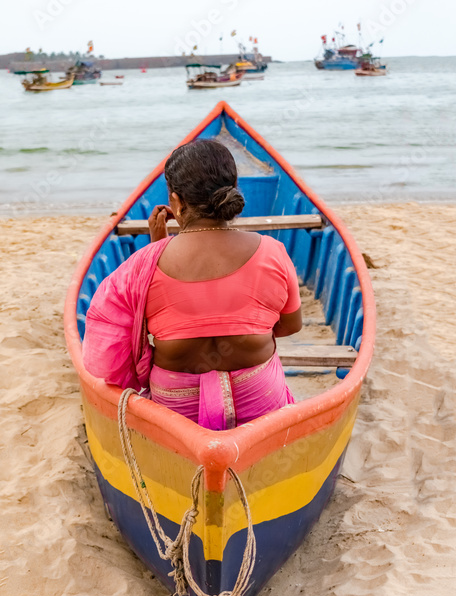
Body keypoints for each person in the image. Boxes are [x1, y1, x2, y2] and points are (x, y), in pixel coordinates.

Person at [82, 139, 302, 430]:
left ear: (175, 200)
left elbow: (110, 351)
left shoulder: (142, 265)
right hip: (259, 392)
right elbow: (290, 326)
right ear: (234, 186)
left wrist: (158, 246)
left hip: (176, 404)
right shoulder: (272, 252)